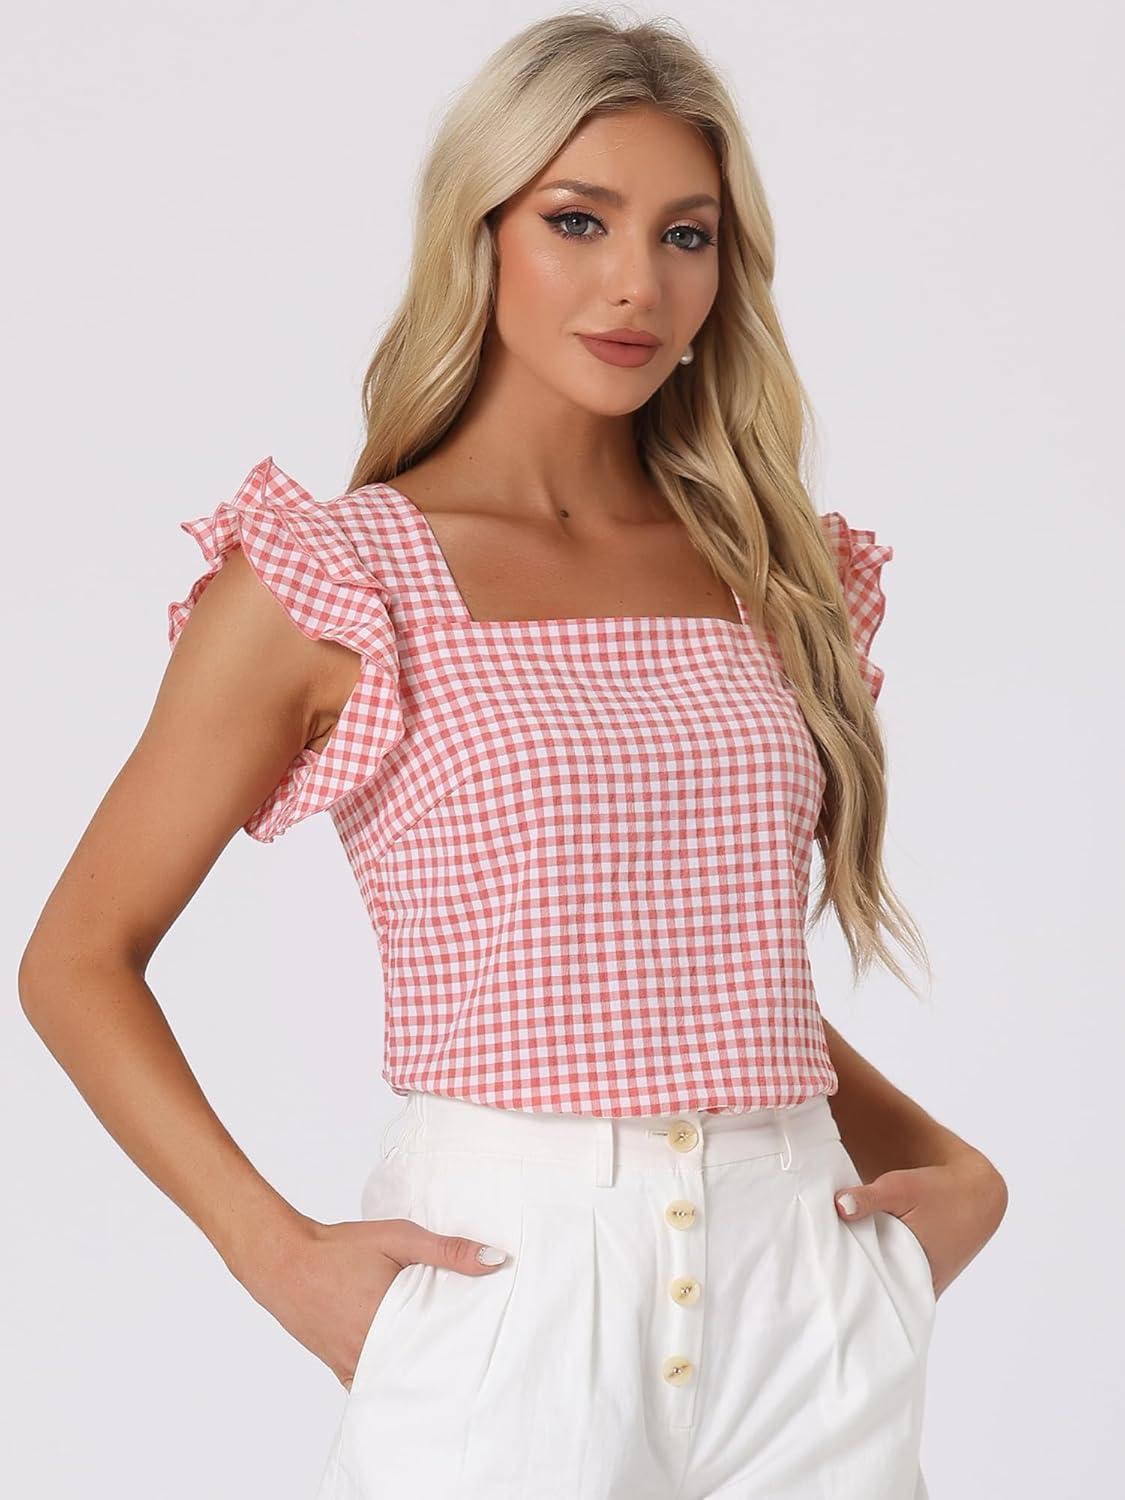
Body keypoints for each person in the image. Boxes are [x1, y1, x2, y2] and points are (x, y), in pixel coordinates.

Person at [18, 11, 1008, 1499]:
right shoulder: (340, 580)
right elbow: (75, 960)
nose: (637, 283)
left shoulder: (773, 574)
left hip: (804, 1287)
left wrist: (951, 1167)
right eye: (577, 220)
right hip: (510, 1287)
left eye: (686, 234)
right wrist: (275, 1255)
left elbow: (692, 963)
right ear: (476, 233)